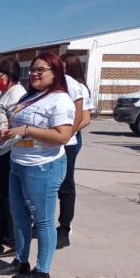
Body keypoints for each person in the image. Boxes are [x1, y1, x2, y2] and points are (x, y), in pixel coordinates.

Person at [0, 52, 74, 278]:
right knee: (19, 216)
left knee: (43, 220)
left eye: (41, 70)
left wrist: (27, 130)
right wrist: (9, 131)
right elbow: (19, 125)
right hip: (18, 163)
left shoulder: (60, 100)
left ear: (55, 73)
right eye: (33, 70)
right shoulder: (30, 97)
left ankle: (42, 272)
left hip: (43, 166)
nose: (35, 74)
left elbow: (63, 136)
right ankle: (21, 261)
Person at [0, 56, 27, 257]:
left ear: (10, 75)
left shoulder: (17, 94)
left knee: (8, 198)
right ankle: (0, 235)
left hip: (7, 151)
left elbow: (17, 122)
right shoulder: (4, 93)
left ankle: (11, 240)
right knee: (0, 197)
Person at [57, 51, 94, 248]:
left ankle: (65, 227)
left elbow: (85, 119)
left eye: (63, 68)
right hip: (53, 142)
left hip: (68, 141)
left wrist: (65, 134)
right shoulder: (55, 85)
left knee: (66, 184)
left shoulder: (78, 88)